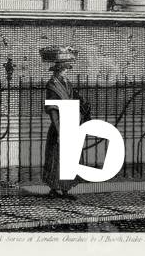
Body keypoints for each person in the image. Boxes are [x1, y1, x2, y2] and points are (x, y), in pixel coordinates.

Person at [42, 59, 83, 199]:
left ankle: (65, 189)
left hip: (69, 123)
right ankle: (54, 188)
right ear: (58, 70)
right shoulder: (52, 85)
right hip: (58, 126)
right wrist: (59, 129)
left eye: (66, 70)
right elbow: (53, 109)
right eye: (64, 69)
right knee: (56, 158)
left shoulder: (67, 84)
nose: (66, 72)